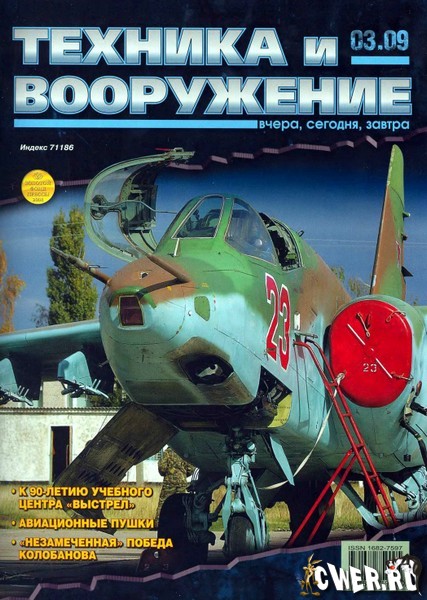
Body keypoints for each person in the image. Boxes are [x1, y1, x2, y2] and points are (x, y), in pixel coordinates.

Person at [154, 447, 195, 528]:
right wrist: (183, 474)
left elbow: (162, 467)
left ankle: (159, 523)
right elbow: (191, 468)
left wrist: (167, 473)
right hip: (182, 481)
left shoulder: (167, 452)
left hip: (169, 481)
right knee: (181, 502)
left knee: (163, 501)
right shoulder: (183, 452)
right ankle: (181, 523)